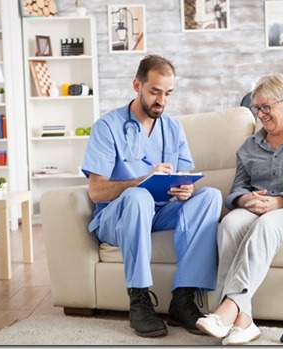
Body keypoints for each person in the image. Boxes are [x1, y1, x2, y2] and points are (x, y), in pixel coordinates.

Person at [81, 55, 222, 338]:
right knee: (138, 197)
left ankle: (182, 300)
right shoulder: (107, 127)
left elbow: (184, 175)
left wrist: (186, 189)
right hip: (117, 216)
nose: (162, 100)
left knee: (210, 197)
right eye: (155, 92)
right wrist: (141, 181)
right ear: (137, 85)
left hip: (158, 212)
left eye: (168, 93)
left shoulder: (173, 128)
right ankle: (139, 300)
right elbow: (96, 192)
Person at [196, 73, 283, 345]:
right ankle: (244, 322)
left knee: (266, 224)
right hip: (258, 207)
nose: (261, 114)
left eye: (266, 107)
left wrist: (278, 201)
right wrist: (247, 201)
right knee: (230, 224)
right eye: (256, 108)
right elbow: (236, 190)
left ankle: (227, 308)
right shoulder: (249, 146)